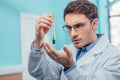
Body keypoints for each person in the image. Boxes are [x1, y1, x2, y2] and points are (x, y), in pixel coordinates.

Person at [28, 0, 120, 80]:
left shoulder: (114, 56)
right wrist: (38, 40)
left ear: (94, 24)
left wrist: (70, 66)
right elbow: (40, 73)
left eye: (78, 26)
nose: (72, 34)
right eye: (68, 27)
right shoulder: (69, 50)